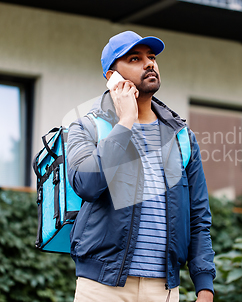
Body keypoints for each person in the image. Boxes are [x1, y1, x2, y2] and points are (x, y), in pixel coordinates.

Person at [66, 31, 215, 302]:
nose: (149, 64)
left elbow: (199, 218)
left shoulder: (182, 137)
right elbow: (87, 185)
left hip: (164, 289)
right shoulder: (86, 127)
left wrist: (204, 286)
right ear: (112, 77)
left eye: (152, 57)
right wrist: (125, 123)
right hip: (102, 287)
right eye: (135, 58)